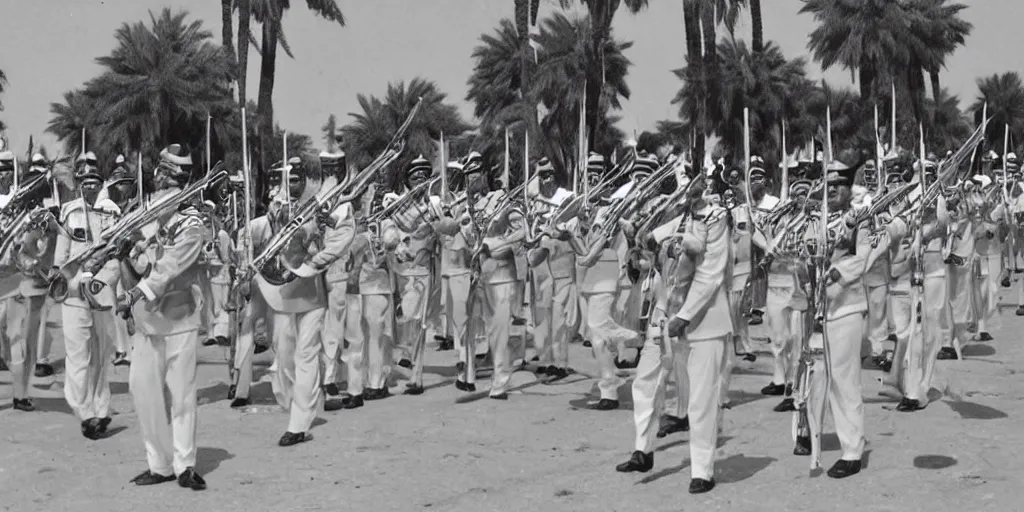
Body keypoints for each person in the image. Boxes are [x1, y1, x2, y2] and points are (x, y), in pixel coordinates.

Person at [119, 144, 207, 489]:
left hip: (179, 315)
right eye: (160, 175)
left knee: (182, 392)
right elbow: (140, 264)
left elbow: (170, 267)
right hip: (147, 319)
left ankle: (185, 464)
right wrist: (126, 253)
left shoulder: (192, 224)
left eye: (168, 178)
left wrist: (138, 290)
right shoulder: (146, 220)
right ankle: (159, 463)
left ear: (181, 183)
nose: (160, 181)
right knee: (142, 388)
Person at [249, 161, 329, 446]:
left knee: (306, 355)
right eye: (289, 180)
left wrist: (311, 233)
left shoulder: (317, 209)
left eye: (297, 180)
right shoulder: (277, 209)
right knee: (283, 354)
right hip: (283, 293)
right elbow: (258, 237)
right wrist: (273, 219)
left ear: (304, 181)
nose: (293, 185)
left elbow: (324, 246)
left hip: (311, 294)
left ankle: (299, 423)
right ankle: (292, 401)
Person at [53, 162, 122, 438]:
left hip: (101, 291)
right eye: (85, 180)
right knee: (79, 356)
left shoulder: (111, 214)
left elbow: (116, 253)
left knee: (102, 356)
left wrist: (101, 279)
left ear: (101, 183)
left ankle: (101, 409)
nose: (90, 185)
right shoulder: (69, 212)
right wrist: (67, 279)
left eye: (95, 180)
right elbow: (62, 254)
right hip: (74, 293)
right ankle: (85, 413)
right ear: (79, 183)